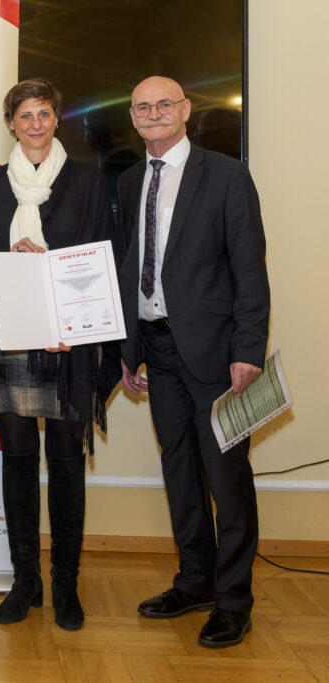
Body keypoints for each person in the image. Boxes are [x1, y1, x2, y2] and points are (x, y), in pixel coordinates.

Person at [0, 78, 121, 632]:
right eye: (25, 115)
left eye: (44, 113)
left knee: (68, 461)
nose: (35, 123)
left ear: (57, 118)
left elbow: (103, 259)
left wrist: (49, 259)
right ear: (10, 122)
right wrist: (11, 256)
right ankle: (24, 580)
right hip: (2, 332)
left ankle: (65, 585)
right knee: (18, 458)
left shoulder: (86, 182)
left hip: (67, 335)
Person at [117, 76, 269, 648]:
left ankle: (233, 601)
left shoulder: (227, 175)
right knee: (179, 473)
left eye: (164, 104)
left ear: (184, 110)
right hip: (157, 352)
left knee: (227, 482)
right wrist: (128, 350)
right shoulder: (132, 180)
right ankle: (194, 582)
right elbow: (133, 263)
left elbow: (250, 270)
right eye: (142, 107)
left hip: (216, 356)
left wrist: (247, 352)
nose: (153, 113)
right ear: (133, 118)